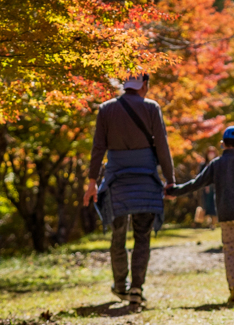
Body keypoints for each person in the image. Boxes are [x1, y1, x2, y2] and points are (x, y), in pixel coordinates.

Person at [83, 73, 175, 306]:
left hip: (117, 182)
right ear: (144, 84)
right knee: (142, 236)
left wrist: (92, 181)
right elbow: (162, 144)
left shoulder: (106, 109)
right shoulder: (152, 108)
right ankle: (136, 288)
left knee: (118, 235)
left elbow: (98, 147)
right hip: (145, 181)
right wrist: (170, 179)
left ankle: (120, 284)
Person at [167, 126, 234, 303]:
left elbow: (197, 183)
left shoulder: (216, 164)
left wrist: (174, 191)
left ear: (223, 144)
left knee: (229, 250)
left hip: (225, 213)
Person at [199, 146, 219, 229]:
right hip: (206, 189)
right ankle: (207, 222)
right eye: (209, 152)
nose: (211, 154)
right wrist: (205, 185)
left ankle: (213, 224)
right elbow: (200, 177)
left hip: (215, 188)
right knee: (206, 206)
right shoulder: (203, 165)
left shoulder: (218, 163)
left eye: (212, 152)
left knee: (214, 206)